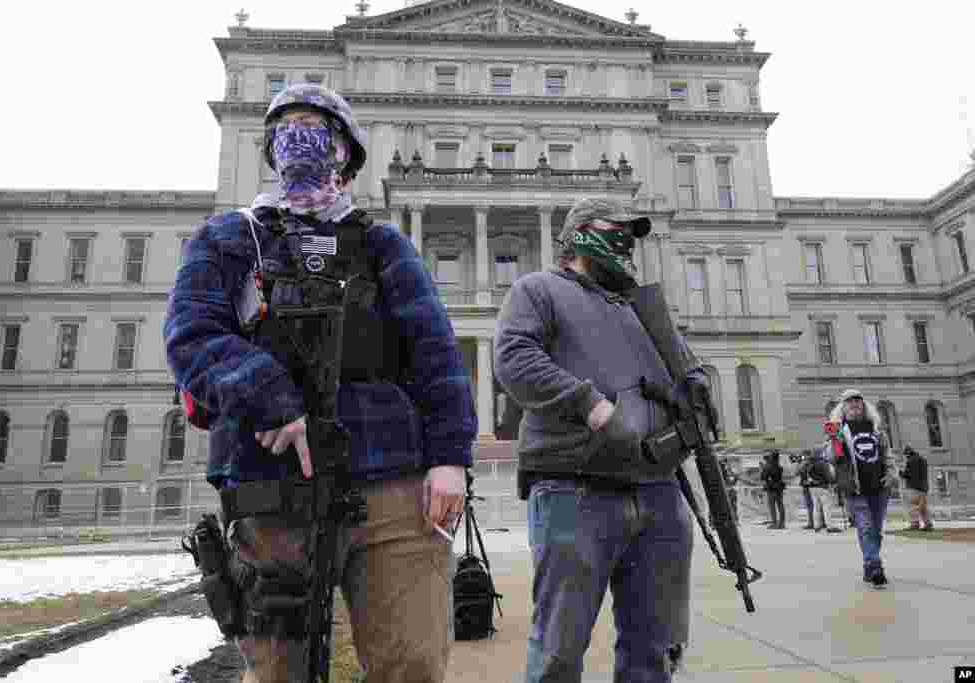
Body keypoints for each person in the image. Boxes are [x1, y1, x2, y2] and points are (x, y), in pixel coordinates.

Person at [164, 82, 478, 683]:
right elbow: (191, 336)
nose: (301, 139)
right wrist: (272, 400)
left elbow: (434, 353)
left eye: (317, 127)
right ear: (271, 148)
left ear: (345, 152)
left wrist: (450, 458)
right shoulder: (229, 238)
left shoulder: (382, 243)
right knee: (281, 669)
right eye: (288, 127)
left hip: (391, 478)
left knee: (412, 661)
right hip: (271, 480)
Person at [494, 196, 707, 682]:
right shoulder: (538, 289)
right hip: (575, 488)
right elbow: (513, 359)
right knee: (559, 650)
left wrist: (694, 386)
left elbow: (685, 372)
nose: (627, 241)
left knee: (655, 648)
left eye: (633, 234)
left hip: (659, 489)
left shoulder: (642, 306)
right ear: (581, 232)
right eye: (618, 229)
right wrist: (589, 404)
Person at [825, 389, 895, 588]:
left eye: (858, 401)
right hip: (855, 487)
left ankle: (868, 565)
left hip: (879, 485)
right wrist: (834, 440)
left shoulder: (876, 429)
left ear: (863, 406)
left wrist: (891, 473)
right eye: (849, 402)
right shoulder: (839, 429)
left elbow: (887, 453)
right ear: (843, 408)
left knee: (876, 531)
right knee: (865, 527)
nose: (854, 404)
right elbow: (831, 457)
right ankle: (875, 566)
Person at [802, 448, 840, 533]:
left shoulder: (808, 464)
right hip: (823, 487)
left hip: (812, 487)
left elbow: (803, 474)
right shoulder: (823, 464)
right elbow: (829, 476)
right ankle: (829, 526)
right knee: (826, 507)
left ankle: (816, 526)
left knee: (816, 507)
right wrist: (833, 482)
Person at [900, 445, 934, 531]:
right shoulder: (923, 460)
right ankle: (928, 524)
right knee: (923, 507)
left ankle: (915, 524)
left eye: (905, 455)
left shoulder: (910, 461)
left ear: (907, 454)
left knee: (912, 506)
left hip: (913, 487)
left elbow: (908, 475)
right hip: (924, 488)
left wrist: (900, 473)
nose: (906, 457)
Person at [760, 451, 786, 529]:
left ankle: (774, 523)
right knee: (780, 505)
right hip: (779, 488)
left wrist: (762, 468)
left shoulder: (768, 467)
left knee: (772, 507)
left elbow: (763, 477)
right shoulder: (779, 467)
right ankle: (782, 523)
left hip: (771, 489)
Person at [796, 451, 815, 530]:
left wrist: (799, 463)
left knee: (810, 506)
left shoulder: (805, 464)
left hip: (807, 486)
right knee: (815, 506)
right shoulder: (814, 462)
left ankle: (811, 523)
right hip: (814, 486)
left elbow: (796, 472)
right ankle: (819, 522)